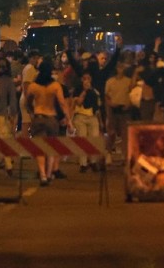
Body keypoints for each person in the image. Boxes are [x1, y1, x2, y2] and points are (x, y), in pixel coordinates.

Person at [26, 58, 74, 186]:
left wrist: (32, 112)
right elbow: (62, 104)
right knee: (51, 147)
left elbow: (27, 102)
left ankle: (42, 174)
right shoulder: (55, 86)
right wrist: (68, 121)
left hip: (38, 117)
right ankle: (49, 173)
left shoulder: (33, 86)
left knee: (40, 148)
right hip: (52, 118)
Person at [0, 58, 18, 176]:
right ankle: (8, 165)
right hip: (2, 113)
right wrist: (13, 115)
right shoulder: (9, 81)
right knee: (4, 138)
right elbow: (12, 100)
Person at [72, 72, 103, 173]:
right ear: (81, 80)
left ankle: (93, 162)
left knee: (93, 139)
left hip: (92, 117)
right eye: (84, 79)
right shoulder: (77, 90)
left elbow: (98, 108)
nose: (86, 81)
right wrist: (84, 91)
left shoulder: (95, 92)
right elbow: (79, 102)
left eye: (88, 78)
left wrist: (100, 121)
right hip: (80, 117)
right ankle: (83, 164)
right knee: (82, 140)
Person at [104, 61, 133, 160]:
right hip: (113, 109)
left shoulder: (128, 81)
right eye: (119, 67)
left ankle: (124, 155)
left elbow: (132, 93)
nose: (120, 69)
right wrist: (110, 104)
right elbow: (106, 95)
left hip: (124, 109)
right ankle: (108, 153)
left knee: (125, 134)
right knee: (111, 133)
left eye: (122, 67)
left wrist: (129, 104)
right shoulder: (110, 81)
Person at [19, 50, 42, 136]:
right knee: (27, 123)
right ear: (30, 58)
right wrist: (28, 101)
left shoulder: (28, 68)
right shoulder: (30, 68)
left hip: (27, 98)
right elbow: (26, 85)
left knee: (27, 122)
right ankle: (25, 144)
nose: (36, 60)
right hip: (27, 98)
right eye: (35, 58)